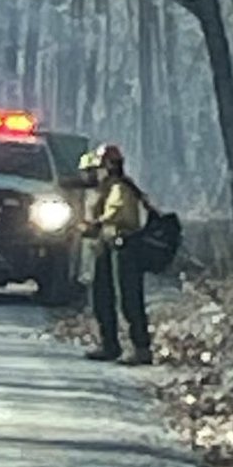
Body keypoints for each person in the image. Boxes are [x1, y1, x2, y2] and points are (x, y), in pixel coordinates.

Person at [78, 144, 152, 366]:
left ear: (109, 167)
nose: (92, 174)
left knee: (129, 298)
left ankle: (140, 348)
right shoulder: (105, 189)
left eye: (97, 169)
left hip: (124, 248)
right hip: (107, 247)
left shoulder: (121, 189)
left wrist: (94, 225)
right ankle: (109, 345)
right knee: (102, 297)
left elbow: (117, 215)